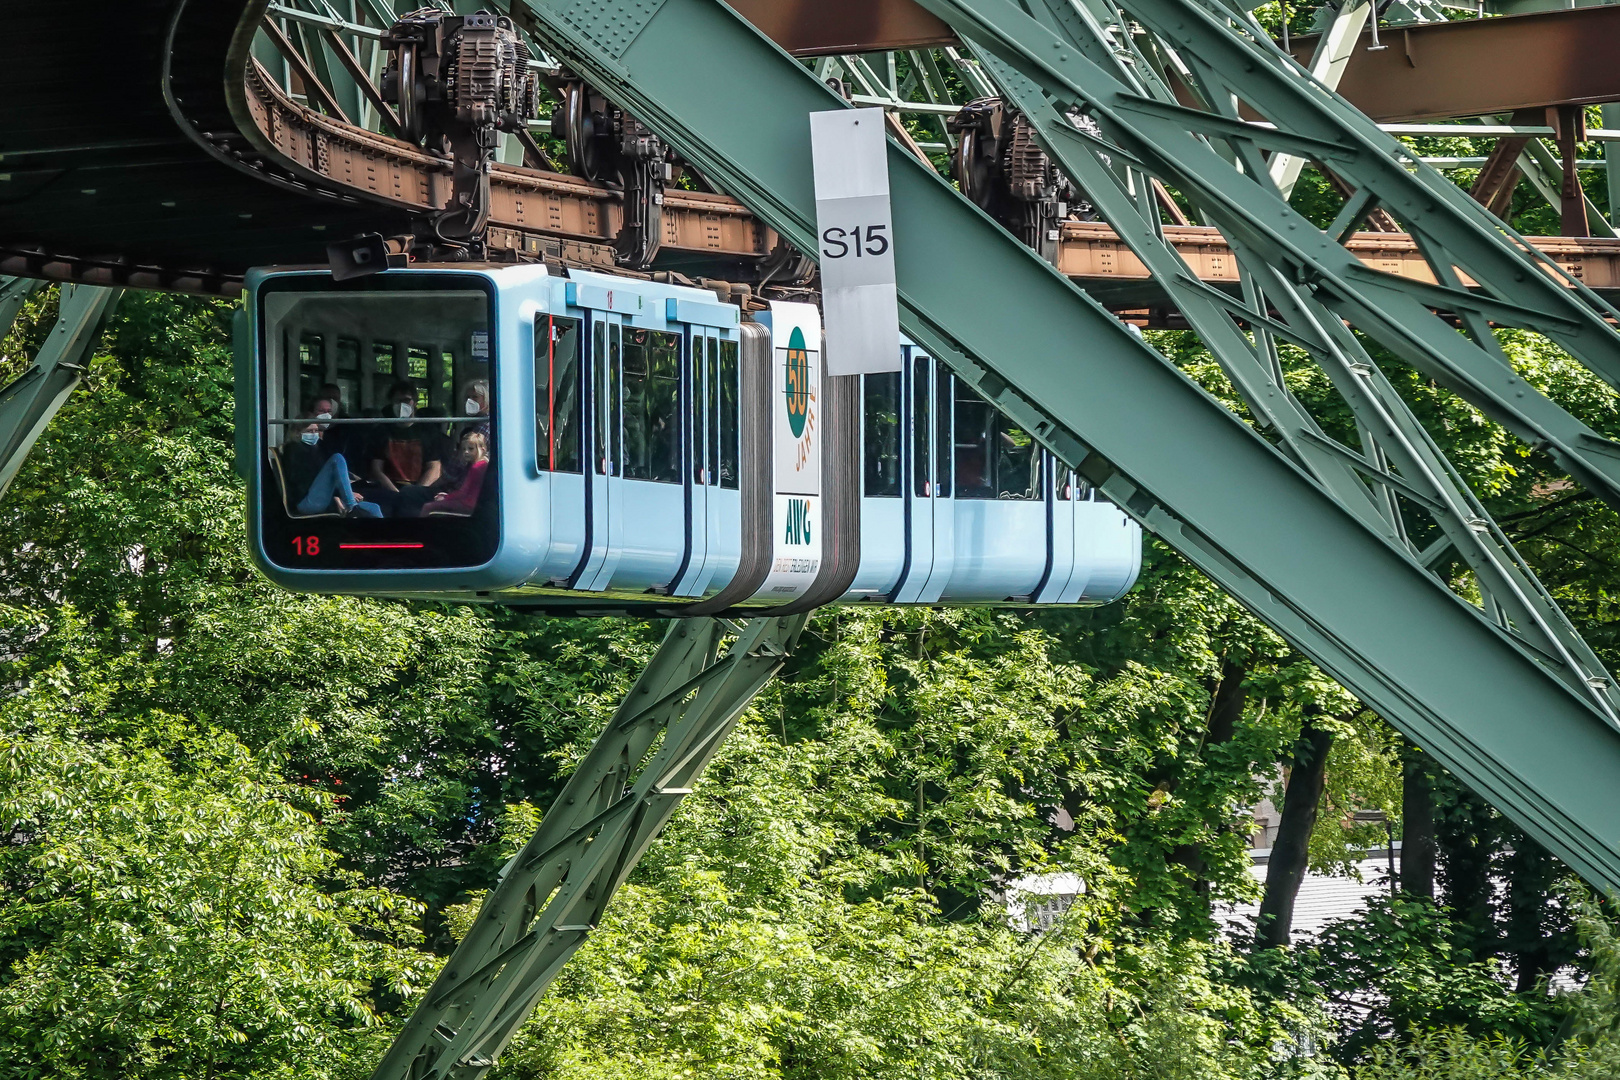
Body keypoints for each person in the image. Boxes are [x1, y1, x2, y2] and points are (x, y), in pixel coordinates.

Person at [365, 380, 447, 516]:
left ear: (414, 403)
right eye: (397, 401)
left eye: (406, 400)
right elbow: (376, 469)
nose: (402, 405)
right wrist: (397, 494)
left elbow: (434, 467)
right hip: (389, 492)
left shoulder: (428, 430)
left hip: (419, 492)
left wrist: (414, 492)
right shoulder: (381, 431)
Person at [279, 415, 381, 518]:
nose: (314, 434)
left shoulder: (317, 449)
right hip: (305, 501)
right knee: (337, 458)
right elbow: (302, 482)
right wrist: (335, 497)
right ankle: (352, 507)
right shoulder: (292, 449)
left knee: (374, 508)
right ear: (297, 432)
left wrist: (342, 495)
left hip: (323, 498)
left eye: (316, 430)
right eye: (309, 431)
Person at [425, 430, 490, 516]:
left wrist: (445, 498)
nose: (466, 452)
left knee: (427, 506)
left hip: (468, 504)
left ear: (482, 449)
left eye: (470, 449)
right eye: (463, 449)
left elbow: (463, 492)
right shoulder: (484, 464)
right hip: (475, 504)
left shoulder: (476, 468)